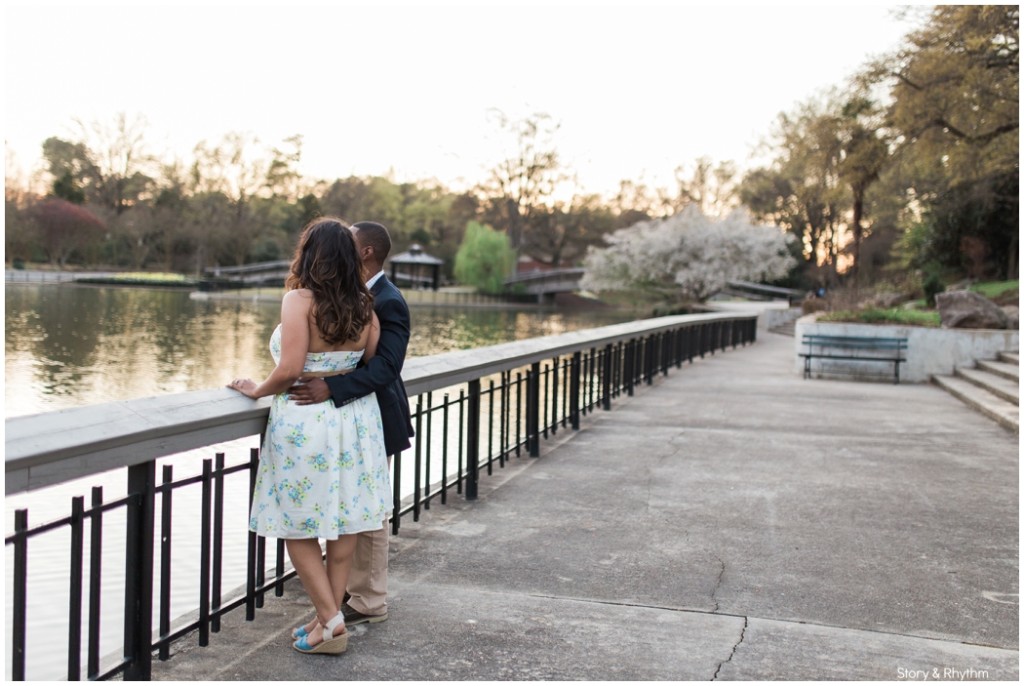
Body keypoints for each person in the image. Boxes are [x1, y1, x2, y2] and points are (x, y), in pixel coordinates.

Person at [227, 217, 392, 655]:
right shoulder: (365, 305)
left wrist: (255, 389)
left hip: (306, 422)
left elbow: (290, 368)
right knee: (343, 530)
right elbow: (367, 362)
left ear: (310, 255)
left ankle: (333, 623)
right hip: (355, 422)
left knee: (295, 525)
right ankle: (326, 626)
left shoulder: (298, 300)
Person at [288, 220, 414, 629]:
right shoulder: (346, 295)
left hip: (371, 416)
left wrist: (332, 387)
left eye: (350, 241)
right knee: (349, 513)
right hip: (343, 421)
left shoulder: (387, 299)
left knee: (369, 517)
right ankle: (335, 603)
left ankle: (370, 600)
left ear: (365, 252)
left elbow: (387, 368)